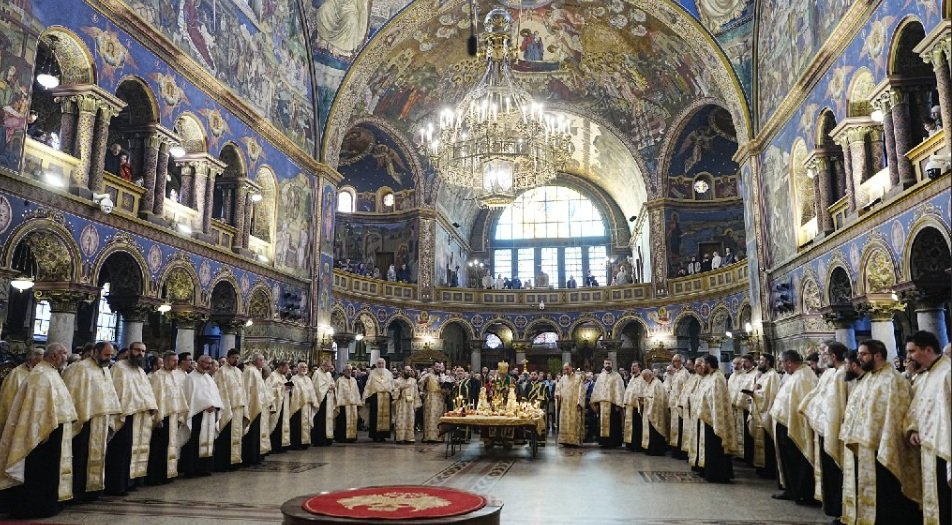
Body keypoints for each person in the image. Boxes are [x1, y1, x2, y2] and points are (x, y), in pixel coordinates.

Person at [840, 339, 922, 525]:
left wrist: (883, 440)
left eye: (863, 354)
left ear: (877, 355)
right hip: (865, 445)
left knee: (888, 494)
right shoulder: (869, 378)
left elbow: (896, 415)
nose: (859, 358)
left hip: (884, 447)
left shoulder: (892, 380)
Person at [0, 343, 76, 519]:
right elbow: (36, 408)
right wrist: (44, 430)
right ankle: (35, 507)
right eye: (64, 353)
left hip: (54, 430)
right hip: (43, 433)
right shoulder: (41, 375)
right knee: (39, 471)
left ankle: (47, 504)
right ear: (54, 356)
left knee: (48, 472)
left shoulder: (50, 372)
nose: (67, 356)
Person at [62, 341, 121, 501]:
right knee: (81, 458)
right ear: (95, 352)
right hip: (84, 421)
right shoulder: (79, 368)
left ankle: (92, 491)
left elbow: (110, 394)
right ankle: (77, 492)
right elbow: (71, 395)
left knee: (97, 456)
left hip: (100, 421)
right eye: (106, 355)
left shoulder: (105, 371)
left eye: (111, 355)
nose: (109, 358)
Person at [903, 331, 950, 525]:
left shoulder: (947, 373)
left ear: (928, 350)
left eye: (912, 351)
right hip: (929, 449)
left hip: (945, 449)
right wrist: (913, 429)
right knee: (937, 502)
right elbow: (917, 408)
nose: (908, 357)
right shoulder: (925, 376)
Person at [799, 341, 849, 520]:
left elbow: (838, 404)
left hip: (834, 430)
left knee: (837, 472)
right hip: (823, 428)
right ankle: (831, 506)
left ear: (834, 356)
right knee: (828, 471)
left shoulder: (843, 374)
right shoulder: (829, 373)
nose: (820, 356)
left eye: (823, 352)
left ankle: (839, 509)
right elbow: (817, 395)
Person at [105, 341, 158, 496]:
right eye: (137, 350)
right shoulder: (118, 368)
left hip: (140, 417)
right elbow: (116, 392)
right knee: (121, 452)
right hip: (124, 417)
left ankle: (130, 481)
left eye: (143, 351)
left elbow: (146, 392)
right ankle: (117, 485)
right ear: (129, 351)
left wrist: (151, 406)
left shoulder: (140, 371)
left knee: (135, 451)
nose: (140, 354)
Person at [769, 350, 818, 504]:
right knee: (788, 461)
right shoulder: (794, 375)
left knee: (797, 460)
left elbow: (802, 404)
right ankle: (791, 489)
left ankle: (802, 492)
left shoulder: (804, 376)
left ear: (789, 362)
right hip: (785, 424)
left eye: (782, 363)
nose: (782, 366)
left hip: (795, 426)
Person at [147, 351, 188, 486]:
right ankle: (157, 475)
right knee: (159, 447)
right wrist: (156, 418)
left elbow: (179, 395)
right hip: (162, 418)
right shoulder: (157, 377)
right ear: (165, 361)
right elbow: (154, 397)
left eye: (176, 360)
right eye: (173, 361)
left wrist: (181, 413)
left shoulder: (175, 376)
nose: (176, 363)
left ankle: (169, 473)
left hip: (174, 416)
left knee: (172, 446)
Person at [691, 355, 734, 483]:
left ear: (708, 364)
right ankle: (708, 471)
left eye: (703, 364)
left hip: (714, 418)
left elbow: (717, 400)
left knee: (715, 447)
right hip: (706, 417)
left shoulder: (718, 378)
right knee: (708, 447)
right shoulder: (709, 377)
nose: (701, 366)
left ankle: (718, 474)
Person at [179, 355, 222, 478]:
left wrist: (216, 405)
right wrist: (204, 406)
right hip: (196, 414)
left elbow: (215, 395)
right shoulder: (191, 378)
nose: (208, 365)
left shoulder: (208, 378)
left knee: (208, 440)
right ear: (199, 362)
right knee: (194, 441)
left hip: (209, 414)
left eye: (210, 363)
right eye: (206, 363)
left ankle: (204, 467)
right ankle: (191, 469)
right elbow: (190, 397)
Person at [747, 353, 781, 479]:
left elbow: (771, 396)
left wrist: (755, 394)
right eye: (759, 359)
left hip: (766, 413)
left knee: (767, 444)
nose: (759, 362)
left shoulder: (773, 376)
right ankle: (761, 467)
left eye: (762, 360)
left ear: (768, 362)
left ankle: (769, 469)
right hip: (758, 413)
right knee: (759, 441)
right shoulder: (763, 375)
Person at [213, 349, 246, 472]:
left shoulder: (238, 372)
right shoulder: (221, 372)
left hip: (239, 408)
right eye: (233, 358)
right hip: (228, 409)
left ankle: (235, 461)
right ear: (228, 358)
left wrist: (244, 405)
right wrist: (226, 407)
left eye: (237, 358)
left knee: (236, 436)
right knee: (225, 437)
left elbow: (242, 390)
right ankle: (223, 463)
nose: (236, 360)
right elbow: (221, 390)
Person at [0, 348, 42, 429]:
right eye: (39, 361)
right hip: (19, 415)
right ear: (31, 360)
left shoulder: (40, 372)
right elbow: (8, 400)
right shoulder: (16, 374)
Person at [241, 353, 270, 465]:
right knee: (251, 433)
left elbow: (262, 390)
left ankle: (255, 456)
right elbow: (247, 389)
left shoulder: (257, 371)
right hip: (252, 405)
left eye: (263, 360)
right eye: (262, 360)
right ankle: (249, 458)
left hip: (259, 405)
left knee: (256, 432)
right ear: (256, 360)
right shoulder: (250, 371)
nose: (263, 362)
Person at [590, 359, 625, 448]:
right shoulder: (601, 376)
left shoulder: (617, 376)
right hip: (602, 404)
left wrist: (618, 404)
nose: (607, 365)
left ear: (612, 364)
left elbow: (620, 390)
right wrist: (596, 403)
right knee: (602, 424)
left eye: (609, 363)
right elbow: (596, 390)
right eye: (606, 363)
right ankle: (603, 442)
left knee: (614, 424)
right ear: (603, 364)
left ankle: (614, 442)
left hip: (613, 404)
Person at [728, 355, 756, 461]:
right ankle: (737, 452)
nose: (736, 366)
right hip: (732, 408)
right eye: (734, 364)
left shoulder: (746, 375)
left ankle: (744, 454)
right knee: (735, 430)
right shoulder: (731, 376)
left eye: (738, 363)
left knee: (744, 432)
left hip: (742, 407)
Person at [288, 361, 319, 449]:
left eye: (305, 367)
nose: (304, 369)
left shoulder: (308, 379)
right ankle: (296, 443)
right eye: (302, 367)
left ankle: (305, 443)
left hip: (307, 406)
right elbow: (287, 387)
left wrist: (313, 401)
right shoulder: (294, 378)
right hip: (298, 406)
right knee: (297, 425)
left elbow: (312, 391)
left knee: (306, 425)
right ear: (298, 369)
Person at [363, 358, 395, 442]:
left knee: (386, 418)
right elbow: (368, 387)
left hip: (386, 398)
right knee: (375, 417)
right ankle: (375, 435)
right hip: (375, 398)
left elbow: (392, 387)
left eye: (382, 363)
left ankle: (383, 435)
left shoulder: (389, 374)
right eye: (379, 363)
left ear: (384, 364)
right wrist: (368, 400)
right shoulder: (372, 374)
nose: (381, 365)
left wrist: (393, 398)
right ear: (377, 364)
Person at [639, 369, 669, 456]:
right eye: (643, 378)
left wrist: (646, 400)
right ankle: (649, 449)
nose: (644, 379)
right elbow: (647, 396)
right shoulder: (648, 384)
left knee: (655, 432)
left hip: (655, 413)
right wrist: (641, 400)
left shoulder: (657, 384)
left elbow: (659, 399)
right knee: (649, 432)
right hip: (648, 411)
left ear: (650, 375)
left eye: (645, 377)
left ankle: (657, 450)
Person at [666, 354, 691, 459]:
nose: (673, 363)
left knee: (681, 429)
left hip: (680, 406)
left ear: (681, 361)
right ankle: (675, 450)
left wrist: (681, 403)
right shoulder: (676, 373)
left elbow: (686, 390)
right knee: (674, 428)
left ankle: (682, 452)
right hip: (673, 406)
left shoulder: (685, 373)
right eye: (673, 361)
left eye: (675, 361)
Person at [555, 363, 585, 446]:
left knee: (574, 422)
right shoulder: (563, 378)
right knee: (565, 422)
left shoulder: (578, 378)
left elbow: (581, 391)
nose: (566, 371)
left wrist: (580, 402)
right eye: (564, 369)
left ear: (571, 368)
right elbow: (558, 389)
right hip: (564, 405)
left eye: (567, 369)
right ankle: (565, 440)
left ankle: (574, 441)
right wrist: (557, 394)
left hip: (574, 405)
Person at [420, 361, 450, 443]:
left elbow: (447, 389)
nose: (438, 368)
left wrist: (446, 386)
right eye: (436, 367)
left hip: (440, 399)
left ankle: (439, 437)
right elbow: (420, 383)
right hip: (430, 399)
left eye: (439, 367)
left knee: (439, 418)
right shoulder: (428, 375)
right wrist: (423, 392)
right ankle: (428, 437)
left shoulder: (443, 376)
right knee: (429, 417)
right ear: (433, 367)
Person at [267, 361, 291, 453]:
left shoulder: (282, 376)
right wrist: (282, 388)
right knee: (275, 424)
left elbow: (285, 386)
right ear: (280, 367)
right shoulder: (273, 375)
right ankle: (274, 446)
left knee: (281, 424)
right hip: (276, 404)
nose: (286, 370)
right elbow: (270, 389)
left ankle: (280, 445)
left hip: (283, 404)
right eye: (285, 368)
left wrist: (289, 386)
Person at [393, 366, 421, 444]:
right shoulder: (397, 381)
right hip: (401, 403)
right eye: (407, 370)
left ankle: (409, 438)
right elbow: (393, 393)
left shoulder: (413, 381)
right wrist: (400, 388)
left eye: (410, 370)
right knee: (400, 420)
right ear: (403, 371)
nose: (409, 372)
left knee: (410, 420)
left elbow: (416, 393)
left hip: (410, 403)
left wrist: (416, 405)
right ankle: (400, 438)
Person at [311, 359, 336, 446]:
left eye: (330, 367)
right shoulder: (317, 373)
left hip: (328, 400)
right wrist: (327, 387)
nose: (330, 368)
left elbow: (332, 383)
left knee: (328, 420)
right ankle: (319, 440)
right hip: (320, 400)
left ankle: (327, 438)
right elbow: (316, 387)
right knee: (320, 420)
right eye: (328, 367)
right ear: (324, 365)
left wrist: (333, 386)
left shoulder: (329, 374)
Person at [334, 365, 362, 442]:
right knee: (343, 422)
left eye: (350, 369)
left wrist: (358, 402)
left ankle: (352, 437)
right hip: (343, 404)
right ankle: (342, 437)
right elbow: (337, 392)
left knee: (353, 420)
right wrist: (338, 402)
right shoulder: (340, 380)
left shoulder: (354, 380)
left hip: (353, 404)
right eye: (347, 370)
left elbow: (356, 392)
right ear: (344, 371)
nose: (349, 371)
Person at [623, 362, 646, 452]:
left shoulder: (642, 378)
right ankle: (631, 444)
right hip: (629, 406)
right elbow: (628, 391)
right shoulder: (632, 378)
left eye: (635, 366)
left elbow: (643, 391)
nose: (632, 368)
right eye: (632, 366)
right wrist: (624, 403)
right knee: (630, 426)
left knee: (637, 426)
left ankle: (637, 445)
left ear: (639, 368)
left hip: (637, 407)